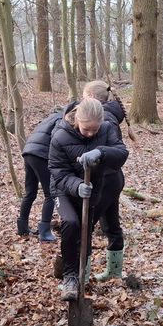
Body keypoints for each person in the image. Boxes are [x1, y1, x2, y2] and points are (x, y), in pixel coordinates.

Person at [49, 98, 129, 301]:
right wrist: (76, 185)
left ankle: (82, 274)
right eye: (86, 129)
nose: (91, 134)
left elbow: (121, 153)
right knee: (71, 223)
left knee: (86, 230)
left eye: (95, 129)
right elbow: (57, 171)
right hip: (64, 189)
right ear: (77, 120)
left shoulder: (107, 128)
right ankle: (70, 277)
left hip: (94, 188)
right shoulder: (60, 136)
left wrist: (101, 151)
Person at [81, 81, 135, 282]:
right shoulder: (108, 115)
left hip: (105, 179)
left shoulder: (105, 120)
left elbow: (113, 152)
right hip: (111, 179)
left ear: (92, 98)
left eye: (85, 97)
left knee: (84, 226)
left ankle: (82, 276)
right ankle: (114, 271)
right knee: (110, 223)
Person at [17, 109, 63, 241]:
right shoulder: (61, 119)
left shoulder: (50, 117)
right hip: (41, 154)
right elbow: (56, 139)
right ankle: (45, 232)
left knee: (30, 192)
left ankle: (22, 227)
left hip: (28, 152)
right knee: (50, 194)